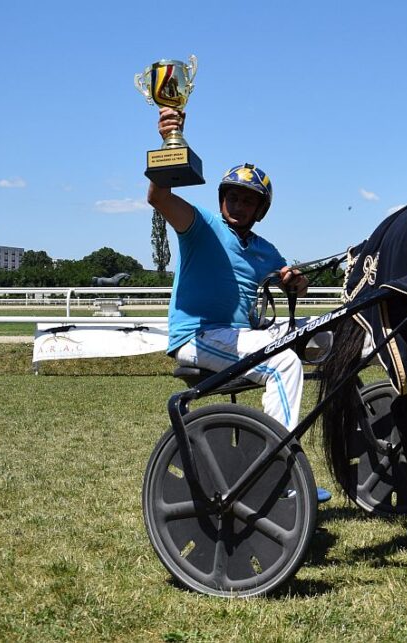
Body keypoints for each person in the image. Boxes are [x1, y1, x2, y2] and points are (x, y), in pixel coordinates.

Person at [148, 107, 329, 503]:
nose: (239, 205)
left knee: (322, 337)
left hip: (242, 337)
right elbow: (158, 196)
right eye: (233, 197)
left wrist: (297, 283)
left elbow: (294, 283)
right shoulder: (200, 226)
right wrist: (168, 140)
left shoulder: (266, 250)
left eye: (249, 200)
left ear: (260, 209)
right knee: (284, 364)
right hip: (199, 336)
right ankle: (276, 473)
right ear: (222, 199)